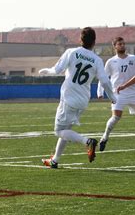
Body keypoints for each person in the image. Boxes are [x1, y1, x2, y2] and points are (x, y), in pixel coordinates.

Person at [39, 27, 117, 169]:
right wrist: (112, 97)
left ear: (80, 40)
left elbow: (57, 70)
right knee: (66, 130)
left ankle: (87, 141)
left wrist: (47, 71)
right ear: (94, 42)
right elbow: (105, 81)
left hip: (68, 98)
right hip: (83, 100)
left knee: (59, 131)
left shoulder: (72, 52)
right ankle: (55, 160)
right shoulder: (97, 59)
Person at [97, 37, 135, 152]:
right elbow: (103, 78)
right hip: (118, 93)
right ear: (114, 46)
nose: (122, 45)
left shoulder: (134, 58)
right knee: (116, 117)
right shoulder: (111, 61)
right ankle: (104, 137)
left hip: (134, 92)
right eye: (119, 44)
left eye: (123, 44)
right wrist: (100, 92)